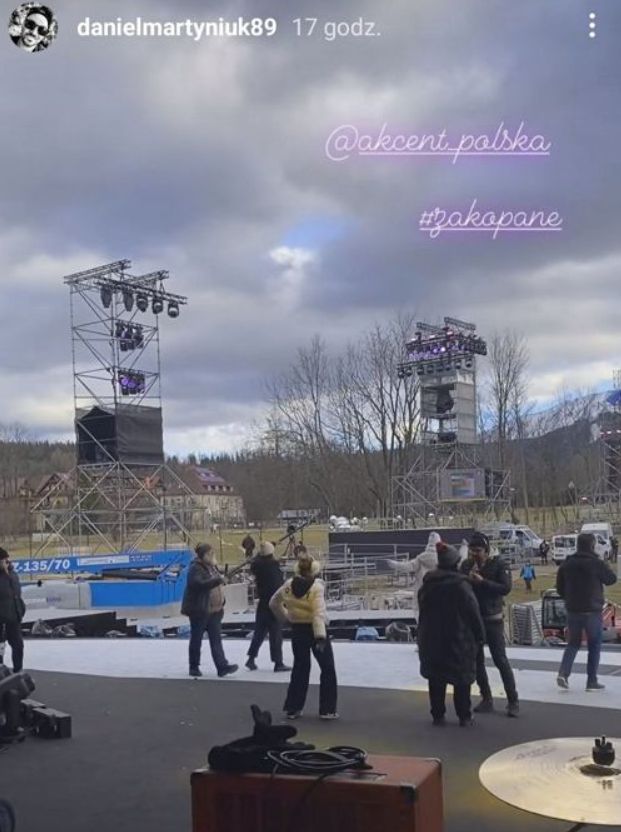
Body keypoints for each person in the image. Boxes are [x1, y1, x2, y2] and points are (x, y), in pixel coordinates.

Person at [418, 542, 485, 726]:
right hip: (458, 639)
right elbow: (473, 614)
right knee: (461, 680)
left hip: (432, 640)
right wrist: (480, 636)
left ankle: (437, 714)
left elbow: (422, 612)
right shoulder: (461, 586)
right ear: (455, 564)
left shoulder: (428, 585)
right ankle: (464, 715)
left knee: (436, 679)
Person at [270, 552, 337, 720]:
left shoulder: (288, 585)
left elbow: (273, 602)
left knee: (300, 669)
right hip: (316, 630)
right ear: (315, 568)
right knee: (327, 669)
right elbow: (318, 613)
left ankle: (293, 708)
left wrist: (286, 617)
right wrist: (320, 636)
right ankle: (327, 710)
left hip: (298, 629)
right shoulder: (317, 587)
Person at [461, 532, 519, 717]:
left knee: (500, 659)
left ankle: (513, 700)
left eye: (478, 551)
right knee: (477, 661)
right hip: (474, 619)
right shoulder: (467, 565)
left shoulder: (499, 564)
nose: (474, 555)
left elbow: (505, 588)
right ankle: (486, 697)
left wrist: (483, 582)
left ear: (486, 550)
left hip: (493, 618)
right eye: (472, 551)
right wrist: (466, 579)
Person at [556, 532, 617, 691]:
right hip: (592, 609)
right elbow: (611, 579)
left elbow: (559, 588)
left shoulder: (567, 563)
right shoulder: (596, 563)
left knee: (573, 643)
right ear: (592, 546)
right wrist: (605, 563)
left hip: (573, 609)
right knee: (594, 645)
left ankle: (564, 673)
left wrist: (569, 598)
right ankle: (591, 681)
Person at [181, 543, 238, 678]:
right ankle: (194, 666)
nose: (213, 556)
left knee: (216, 639)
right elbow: (198, 584)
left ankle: (222, 666)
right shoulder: (195, 568)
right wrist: (218, 580)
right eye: (210, 554)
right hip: (200, 610)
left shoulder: (212, 567)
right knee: (197, 639)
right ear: (203, 555)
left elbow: (215, 583)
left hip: (215, 611)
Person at [245, 541, 290, 672]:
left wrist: (264, 549)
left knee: (259, 633)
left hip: (262, 603)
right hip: (273, 604)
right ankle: (278, 662)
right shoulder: (273, 566)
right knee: (275, 634)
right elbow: (279, 586)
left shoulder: (257, 565)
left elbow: (258, 558)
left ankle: (251, 658)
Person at [387, 531, 441, 620]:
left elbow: (406, 566)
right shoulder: (443, 559)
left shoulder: (420, 559)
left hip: (422, 593)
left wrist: (394, 564)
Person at [0, 548, 25, 673]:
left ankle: (18, 670)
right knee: (1, 647)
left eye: (6, 560)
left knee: (18, 645)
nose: (6, 562)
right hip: (1, 618)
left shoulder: (13, 574)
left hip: (13, 617)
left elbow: (16, 595)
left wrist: (20, 610)